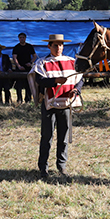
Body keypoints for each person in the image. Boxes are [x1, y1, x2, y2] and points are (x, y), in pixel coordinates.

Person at [31, 34, 83, 179]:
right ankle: (43, 167)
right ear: (49, 46)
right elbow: (39, 80)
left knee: (63, 136)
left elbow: (80, 78)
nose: (58, 48)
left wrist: (77, 89)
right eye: (55, 45)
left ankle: (62, 166)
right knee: (47, 136)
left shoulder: (72, 61)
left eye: (60, 45)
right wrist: (55, 81)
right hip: (49, 104)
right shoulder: (42, 63)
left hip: (66, 104)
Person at [12, 32, 37, 103]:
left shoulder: (29, 46)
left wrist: (31, 62)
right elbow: (14, 57)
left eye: (23, 37)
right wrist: (19, 66)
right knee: (18, 85)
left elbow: (34, 56)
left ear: (25, 38)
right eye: (20, 38)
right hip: (19, 68)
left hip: (28, 68)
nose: (22, 39)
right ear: (19, 39)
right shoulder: (16, 47)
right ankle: (19, 99)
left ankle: (28, 99)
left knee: (29, 85)